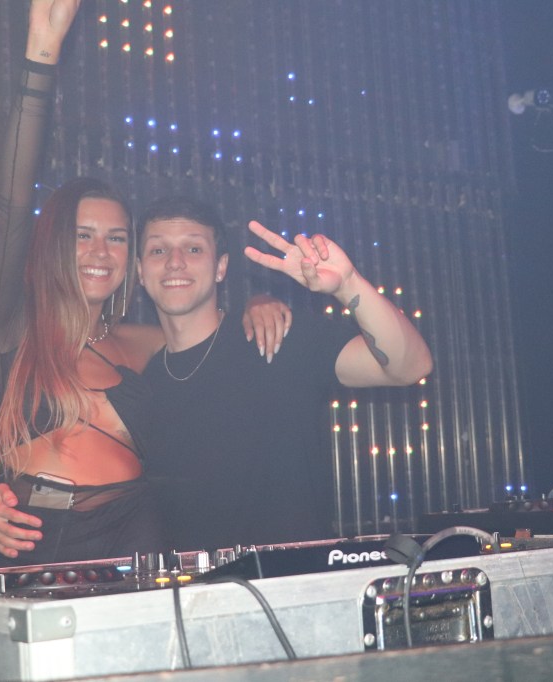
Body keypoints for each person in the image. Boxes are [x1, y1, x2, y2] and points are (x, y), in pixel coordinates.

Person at [0, 0, 287, 565]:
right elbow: (8, 206)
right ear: (53, 243)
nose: (100, 252)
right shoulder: (10, 328)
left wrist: (257, 299)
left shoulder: (140, 341)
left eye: (117, 238)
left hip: (140, 528)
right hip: (40, 532)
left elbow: (206, 324)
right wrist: (41, 57)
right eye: (83, 235)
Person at [135, 197, 434, 549]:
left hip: (293, 580)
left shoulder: (277, 338)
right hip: (192, 583)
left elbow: (411, 367)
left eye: (194, 248)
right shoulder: (144, 384)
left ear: (220, 267)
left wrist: (348, 285)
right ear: (140, 271)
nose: (175, 262)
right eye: (158, 250)